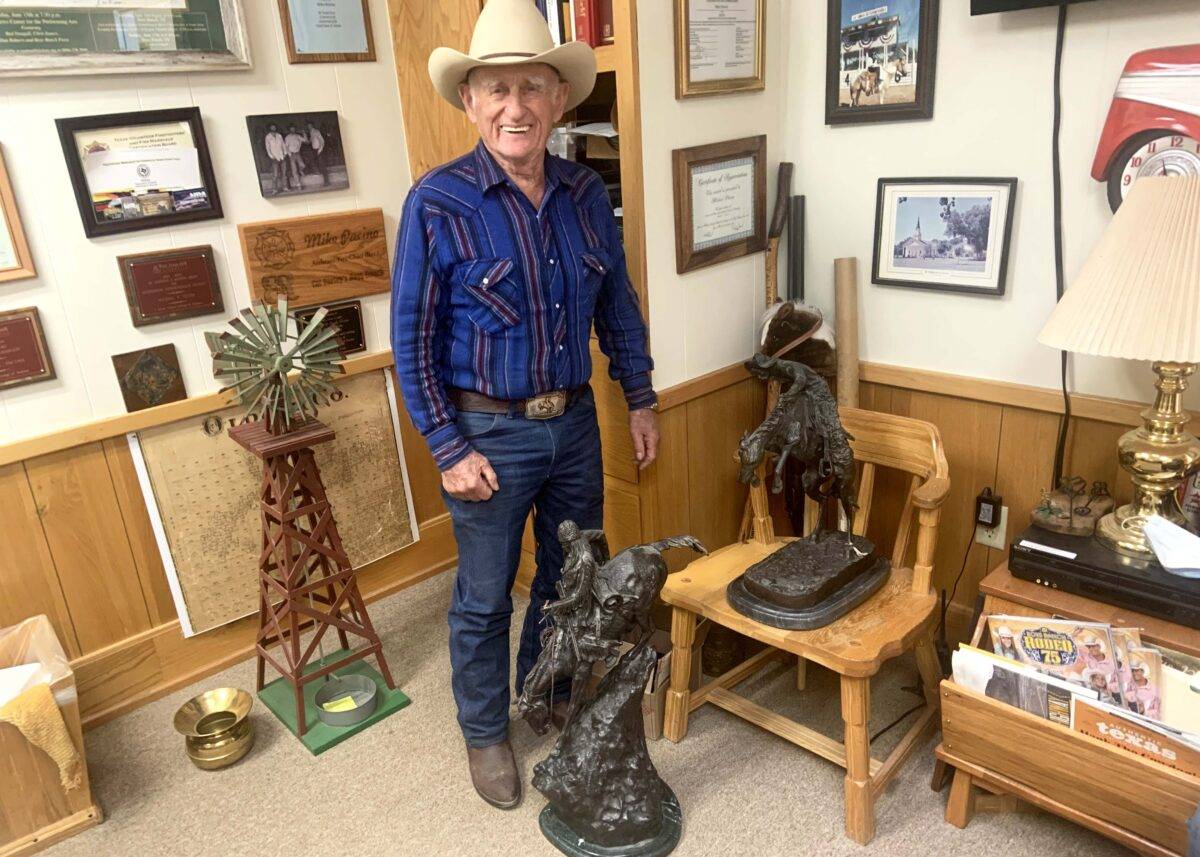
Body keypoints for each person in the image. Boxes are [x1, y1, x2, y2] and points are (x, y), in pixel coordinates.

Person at [391, 0, 658, 810]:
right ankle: (484, 732)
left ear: (558, 99)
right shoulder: (436, 203)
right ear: (470, 103)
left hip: (574, 424)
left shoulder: (583, 193)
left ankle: (545, 694)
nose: (516, 107)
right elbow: (412, 337)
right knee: (483, 593)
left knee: (571, 579)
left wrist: (639, 397)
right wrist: (445, 443)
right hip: (484, 433)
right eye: (497, 90)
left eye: (532, 88)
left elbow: (618, 305)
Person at [263, 123, 286, 195]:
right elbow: (267, 148)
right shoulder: (268, 137)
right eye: (272, 127)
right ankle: (274, 190)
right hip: (274, 157)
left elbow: (283, 145)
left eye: (274, 127)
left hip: (282, 156)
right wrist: (271, 156)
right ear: (270, 128)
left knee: (284, 174)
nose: (273, 128)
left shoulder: (279, 135)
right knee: (275, 175)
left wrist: (285, 153)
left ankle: (285, 187)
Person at [284, 124, 306, 189]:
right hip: (291, 154)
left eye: (294, 129)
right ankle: (298, 184)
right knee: (294, 170)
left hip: (298, 153)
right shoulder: (287, 137)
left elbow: (305, 140)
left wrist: (304, 133)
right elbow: (286, 147)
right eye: (291, 129)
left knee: (302, 165)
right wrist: (289, 154)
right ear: (289, 130)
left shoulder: (297, 136)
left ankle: (300, 170)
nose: (293, 130)